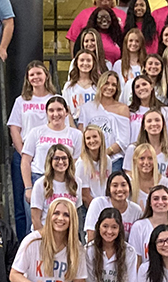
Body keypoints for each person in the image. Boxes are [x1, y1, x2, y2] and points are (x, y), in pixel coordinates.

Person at [8, 62, 62, 236]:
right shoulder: (21, 100)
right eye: (31, 75)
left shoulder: (55, 98)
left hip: (53, 158)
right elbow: (14, 128)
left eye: (39, 73)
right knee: (24, 202)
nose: (35, 77)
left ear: (46, 75)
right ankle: (25, 242)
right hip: (26, 156)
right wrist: (24, 153)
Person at [30, 145, 79, 231]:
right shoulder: (40, 184)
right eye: (56, 158)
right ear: (50, 161)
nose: (60, 162)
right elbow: (35, 219)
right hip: (45, 232)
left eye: (64, 158)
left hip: (67, 234)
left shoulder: (77, 182)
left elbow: (75, 214)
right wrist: (43, 238)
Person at [84, 171, 142, 242]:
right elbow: (91, 235)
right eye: (115, 185)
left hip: (125, 250)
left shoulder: (136, 210)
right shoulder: (98, 203)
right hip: (98, 249)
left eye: (123, 185)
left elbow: (137, 240)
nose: (119, 189)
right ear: (109, 188)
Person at [75, 126, 111, 206]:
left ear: (101, 138)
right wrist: (98, 209)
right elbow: (85, 195)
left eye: (95, 136)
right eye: (88, 138)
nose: (92, 141)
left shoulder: (107, 160)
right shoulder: (82, 163)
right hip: (88, 207)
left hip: (104, 203)